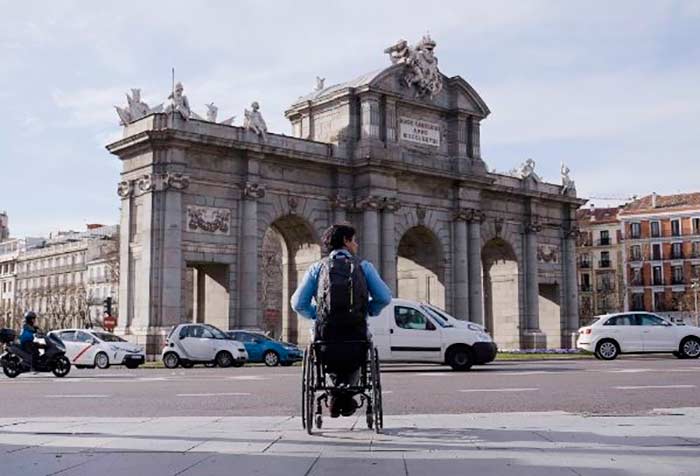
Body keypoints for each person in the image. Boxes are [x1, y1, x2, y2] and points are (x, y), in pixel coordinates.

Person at [291, 224, 392, 417]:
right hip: (356, 336)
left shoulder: (317, 268)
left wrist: (317, 314)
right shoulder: (363, 266)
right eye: (354, 240)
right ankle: (348, 392)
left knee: (324, 348)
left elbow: (297, 303)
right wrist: (368, 310)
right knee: (358, 350)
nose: (356, 245)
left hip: (326, 338)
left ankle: (334, 392)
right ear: (346, 241)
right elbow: (384, 297)